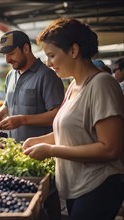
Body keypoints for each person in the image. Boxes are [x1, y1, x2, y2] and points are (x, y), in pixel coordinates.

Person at [23, 18, 124, 220]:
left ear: (74, 50)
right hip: (77, 187)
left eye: (52, 55)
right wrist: (37, 142)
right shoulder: (73, 86)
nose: (49, 64)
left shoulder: (102, 85)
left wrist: (51, 150)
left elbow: (110, 148)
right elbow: (70, 131)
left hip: (98, 187)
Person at [0, 30, 64, 142]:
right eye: (5, 55)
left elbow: (58, 115)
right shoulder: (10, 75)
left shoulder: (47, 76)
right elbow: (8, 104)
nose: (7, 60)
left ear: (26, 48)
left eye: (11, 53)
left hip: (40, 150)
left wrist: (23, 120)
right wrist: (0, 113)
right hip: (14, 147)